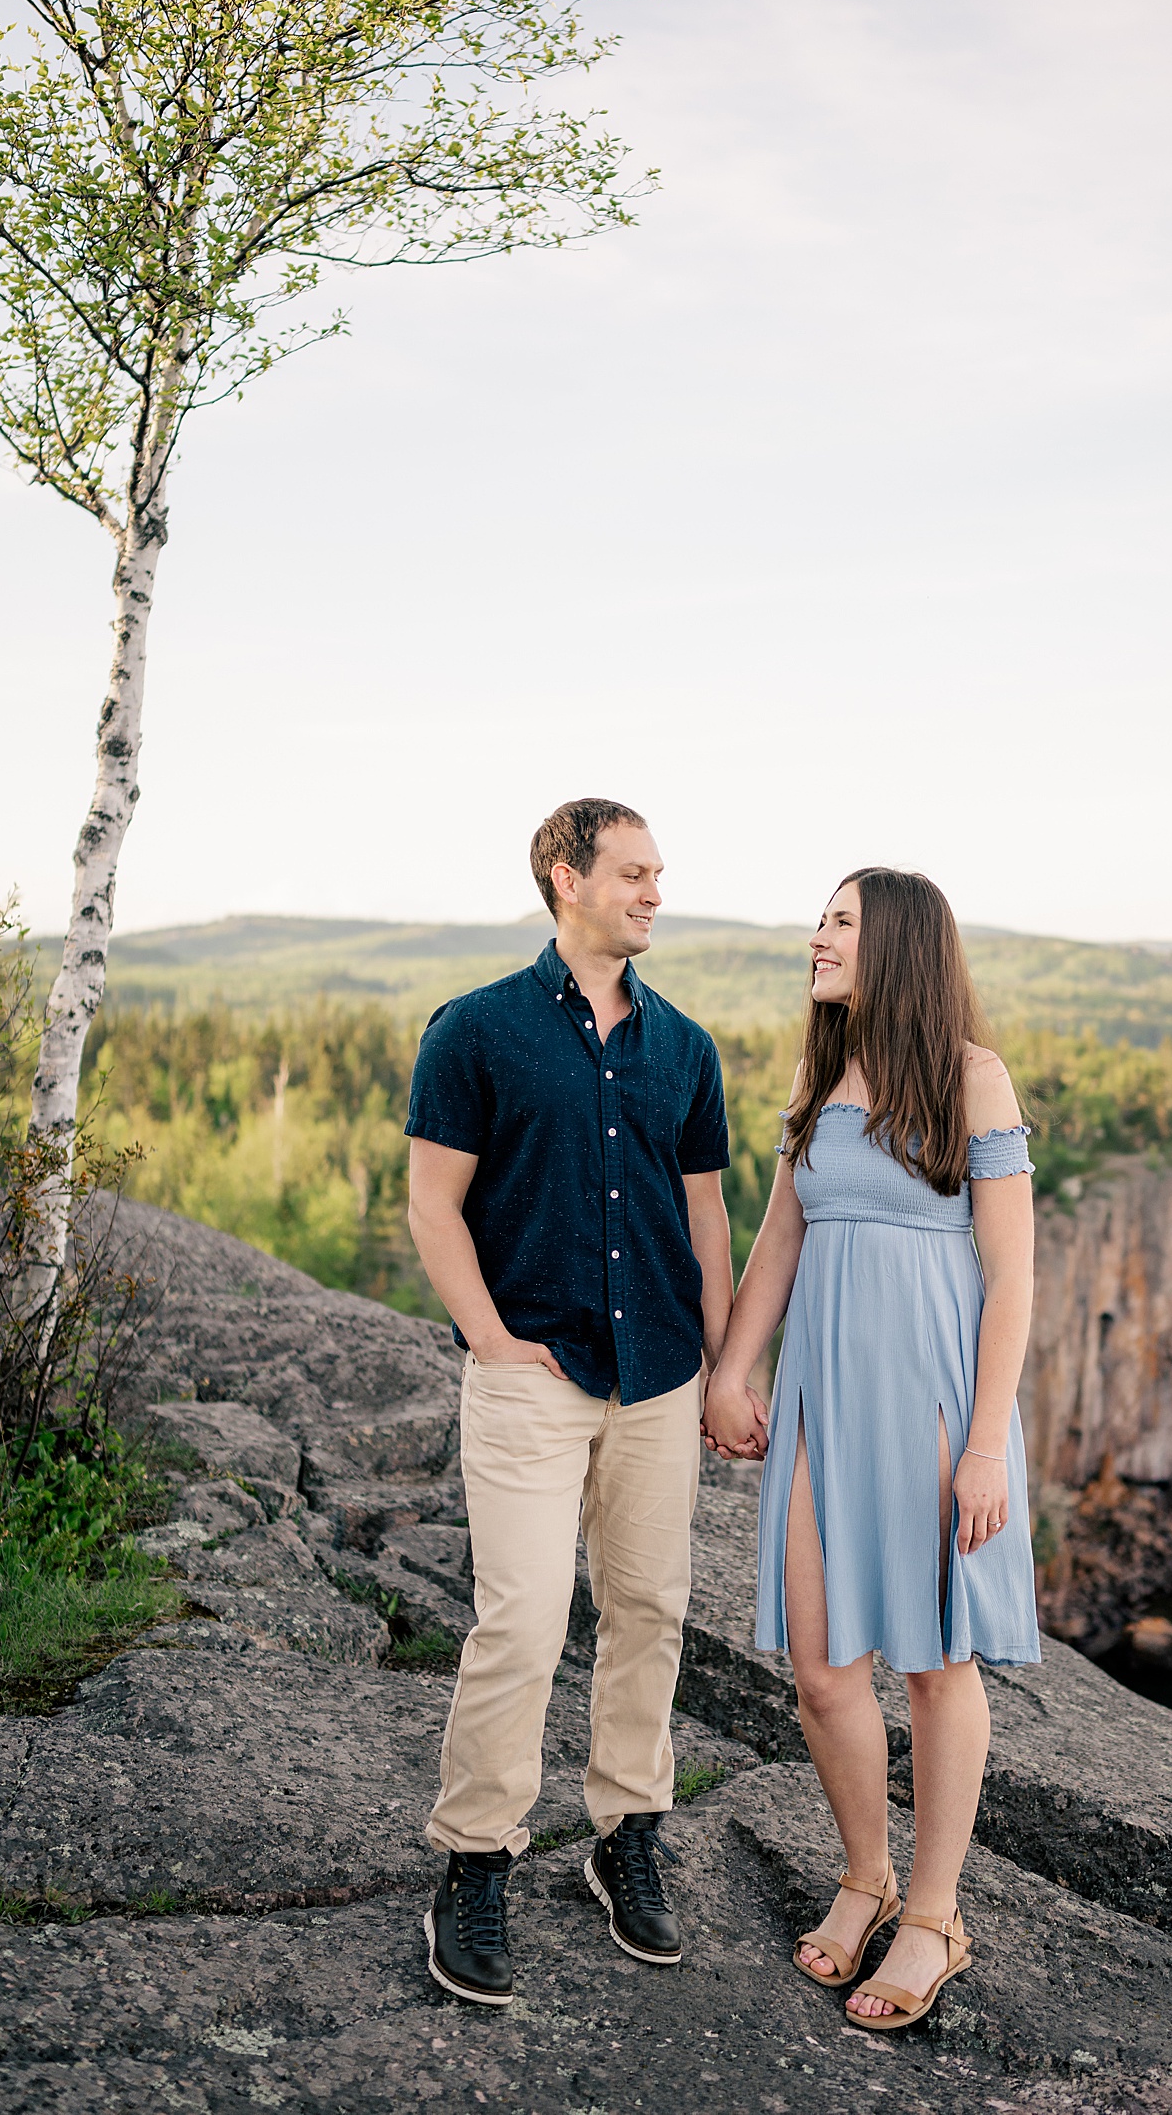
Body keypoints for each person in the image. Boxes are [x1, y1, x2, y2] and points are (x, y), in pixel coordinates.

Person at [406, 797, 733, 2005]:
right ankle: (477, 1857)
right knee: (526, 1619)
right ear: (566, 877)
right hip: (530, 1376)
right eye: (634, 873)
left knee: (648, 1608)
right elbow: (433, 1203)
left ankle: (625, 1835)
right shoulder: (478, 1030)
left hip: (657, 1376)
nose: (655, 892)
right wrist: (490, 1340)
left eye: (660, 874)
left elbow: (705, 1216)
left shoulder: (684, 1048)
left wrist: (724, 1365)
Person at [702, 866, 1040, 2031]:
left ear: (894, 942)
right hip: (818, 1398)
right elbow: (779, 1241)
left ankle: (934, 1915)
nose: (817, 937)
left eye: (840, 922)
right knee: (819, 1664)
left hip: (937, 1402)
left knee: (937, 1664)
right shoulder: (818, 1072)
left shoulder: (969, 1077)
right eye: (820, 919)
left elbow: (1013, 1277)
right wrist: (734, 1372)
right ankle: (866, 1873)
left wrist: (987, 1446)